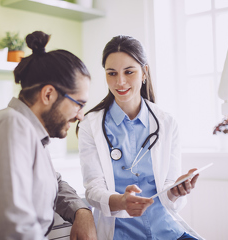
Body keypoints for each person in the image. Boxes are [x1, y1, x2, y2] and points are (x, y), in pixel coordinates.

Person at [0, 31, 97, 240]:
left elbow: (53, 181)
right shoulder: (10, 128)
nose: (80, 115)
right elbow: (14, 228)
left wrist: (82, 211)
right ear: (48, 94)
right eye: (79, 104)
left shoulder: (29, 131)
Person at [77, 35, 203, 240]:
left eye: (129, 72)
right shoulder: (90, 125)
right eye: (112, 73)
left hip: (166, 231)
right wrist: (120, 201)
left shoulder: (167, 123)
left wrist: (176, 190)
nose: (120, 81)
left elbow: (168, 195)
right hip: (119, 233)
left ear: (144, 72)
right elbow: (93, 190)